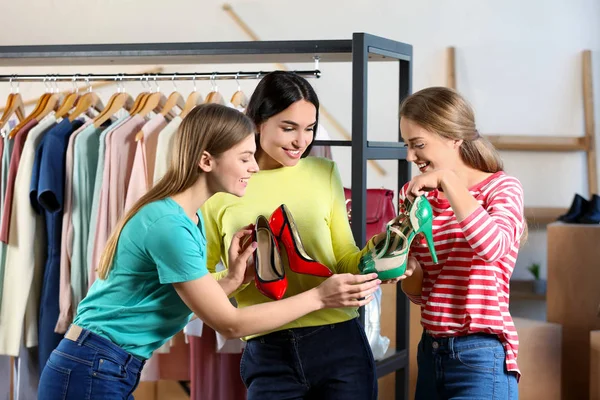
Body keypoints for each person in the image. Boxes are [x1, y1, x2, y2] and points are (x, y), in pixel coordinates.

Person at [37, 104, 381, 399]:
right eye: (245, 157)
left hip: (104, 364)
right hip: (93, 366)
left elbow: (187, 302)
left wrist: (232, 279)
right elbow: (229, 324)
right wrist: (320, 298)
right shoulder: (169, 226)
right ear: (206, 160)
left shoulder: (188, 218)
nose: (255, 167)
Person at [202, 71, 383, 400]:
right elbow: (200, 285)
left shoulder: (322, 172)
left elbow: (344, 257)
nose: (302, 141)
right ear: (258, 122)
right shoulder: (220, 187)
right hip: (267, 349)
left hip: (339, 341)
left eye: (309, 129)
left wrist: (377, 253)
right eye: (289, 128)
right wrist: (235, 275)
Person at [396, 86, 525, 399]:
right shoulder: (415, 195)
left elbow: (492, 247)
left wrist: (448, 181)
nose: (410, 156)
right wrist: (403, 266)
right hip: (430, 350)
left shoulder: (502, 189)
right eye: (407, 145)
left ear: (454, 138)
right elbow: (420, 293)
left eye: (418, 144)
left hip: (482, 356)